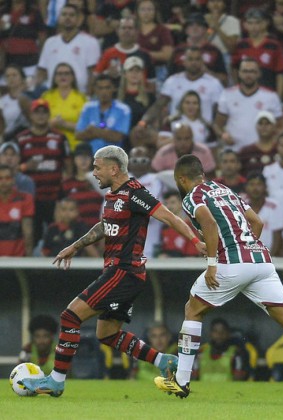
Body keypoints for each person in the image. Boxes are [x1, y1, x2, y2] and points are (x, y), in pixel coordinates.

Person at [154, 154, 283, 398]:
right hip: (261, 261)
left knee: (193, 310)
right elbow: (258, 222)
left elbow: (208, 224)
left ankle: (181, 381)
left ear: (181, 178)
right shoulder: (225, 190)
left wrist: (212, 263)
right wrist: (246, 250)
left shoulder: (193, 197)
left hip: (230, 263)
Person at [21, 145, 206, 397]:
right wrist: (74, 246)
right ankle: (164, 361)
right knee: (107, 334)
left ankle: (56, 381)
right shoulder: (112, 196)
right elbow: (104, 226)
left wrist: (197, 243)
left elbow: (170, 217)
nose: (93, 172)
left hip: (124, 272)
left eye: (97, 167)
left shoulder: (135, 193)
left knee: (69, 317)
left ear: (114, 168)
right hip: (121, 273)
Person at [16, 99, 71, 245]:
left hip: (54, 198)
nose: (40, 116)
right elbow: (12, 168)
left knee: (58, 237)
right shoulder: (21, 138)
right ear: (31, 115)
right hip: (31, 199)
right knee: (32, 236)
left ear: (48, 115)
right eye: (37, 112)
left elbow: (68, 166)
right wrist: (25, 167)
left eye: (44, 112)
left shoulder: (59, 137)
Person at [141, 46, 224, 128]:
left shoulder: (214, 83)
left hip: (203, 134)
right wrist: (142, 122)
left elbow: (220, 112)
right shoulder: (173, 81)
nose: (194, 62)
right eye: (190, 59)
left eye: (197, 59)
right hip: (177, 134)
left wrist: (215, 131)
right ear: (184, 62)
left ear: (202, 62)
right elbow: (158, 105)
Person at [36, 4, 101, 94]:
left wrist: (88, 96)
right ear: (58, 18)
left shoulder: (90, 42)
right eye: (64, 14)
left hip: (79, 93)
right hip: (52, 93)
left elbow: (93, 73)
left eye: (71, 15)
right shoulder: (50, 42)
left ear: (79, 20)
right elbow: (41, 71)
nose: (67, 18)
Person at [232, 8, 283, 98]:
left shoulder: (274, 45)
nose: (253, 27)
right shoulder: (241, 45)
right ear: (245, 25)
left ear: (264, 24)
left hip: (268, 93)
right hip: (245, 95)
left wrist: (278, 98)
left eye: (257, 23)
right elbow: (234, 69)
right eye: (250, 23)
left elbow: (280, 74)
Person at [94, 16, 156, 92]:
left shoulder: (145, 55)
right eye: (123, 28)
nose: (127, 31)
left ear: (136, 31)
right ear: (117, 31)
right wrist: (107, 73)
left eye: (130, 28)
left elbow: (152, 85)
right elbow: (96, 78)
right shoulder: (108, 53)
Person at [76, 74, 131, 154]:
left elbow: (118, 137)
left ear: (114, 89)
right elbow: (78, 135)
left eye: (107, 88)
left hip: (113, 156)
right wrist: (107, 133)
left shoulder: (123, 109)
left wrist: (93, 131)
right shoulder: (88, 107)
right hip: (90, 155)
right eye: (100, 88)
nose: (104, 92)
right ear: (95, 90)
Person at [168, 12, 228, 86]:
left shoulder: (214, 50)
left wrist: (208, 72)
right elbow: (168, 80)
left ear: (205, 30)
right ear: (186, 30)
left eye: (199, 25)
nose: (194, 28)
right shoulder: (177, 51)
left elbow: (225, 81)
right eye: (191, 25)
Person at [42, 63, 87, 152]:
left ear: (73, 77)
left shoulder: (81, 98)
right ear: (54, 78)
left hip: (76, 146)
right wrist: (52, 123)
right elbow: (38, 123)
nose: (63, 76)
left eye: (67, 73)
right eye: (59, 74)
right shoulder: (46, 97)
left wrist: (64, 124)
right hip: (51, 146)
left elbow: (86, 127)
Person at [61, 142, 104, 228]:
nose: (83, 160)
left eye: (86, 157)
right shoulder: (66, 184)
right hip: (74, 231)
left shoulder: (102, 182)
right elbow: (60, 210)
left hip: (98, 230)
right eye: (80, 157)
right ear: (74, 159)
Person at [151, 123, 216, 179]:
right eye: (179, 139)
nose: (183, 143)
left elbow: (210, 176)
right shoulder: (163, 153)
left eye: (187, 138)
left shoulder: (203, 151)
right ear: (173, 138)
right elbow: (153, 176)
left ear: (192, 138)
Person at [136, 0, 174, 86]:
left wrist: (144, 54)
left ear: (155, 11)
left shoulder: (162, 30)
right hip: (135, 69)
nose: (146, 13)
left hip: (157, 70)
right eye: (143, 9)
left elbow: (168, 55)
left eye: (149, 9)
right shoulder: (133, 29)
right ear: (137, 12)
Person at [245, 172, 283, 256]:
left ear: (265, 187)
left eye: (259, 184)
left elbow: (277, 235)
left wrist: (271, 258)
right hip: (247, 257)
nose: (255, 188)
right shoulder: (241, 207)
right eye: (252, 184)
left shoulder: (274, 206)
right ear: (246, 187)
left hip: (270, 256)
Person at [0, 163, 34, 256]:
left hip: (17, 260)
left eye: (7, 178)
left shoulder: (25, 199)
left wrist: (29, 261)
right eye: (0, 178)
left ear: (13, 180)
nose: (3, 182)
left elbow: (28, 233)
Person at [157, 189, 200, 258]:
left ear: (181, 204)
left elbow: (192, 256)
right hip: (168, 266)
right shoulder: (164, 227)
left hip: (185, 265)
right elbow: (164, 250)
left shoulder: (190, 226)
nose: (169, 206)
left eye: (172, 202)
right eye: (166, 203)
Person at [238, 111, 278, 177]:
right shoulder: (246, 152)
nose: (264, 127)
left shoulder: (281, 149)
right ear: (256, 126)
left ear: (274, 126)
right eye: (260, 123)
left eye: (267, 123)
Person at [0, 64, 31, 142]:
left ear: (21, 78)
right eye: (8, 76)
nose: (11, 78)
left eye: (14, 75)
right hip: (9, 138)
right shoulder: (3, 100)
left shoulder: (30, 96)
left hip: (26, 137)